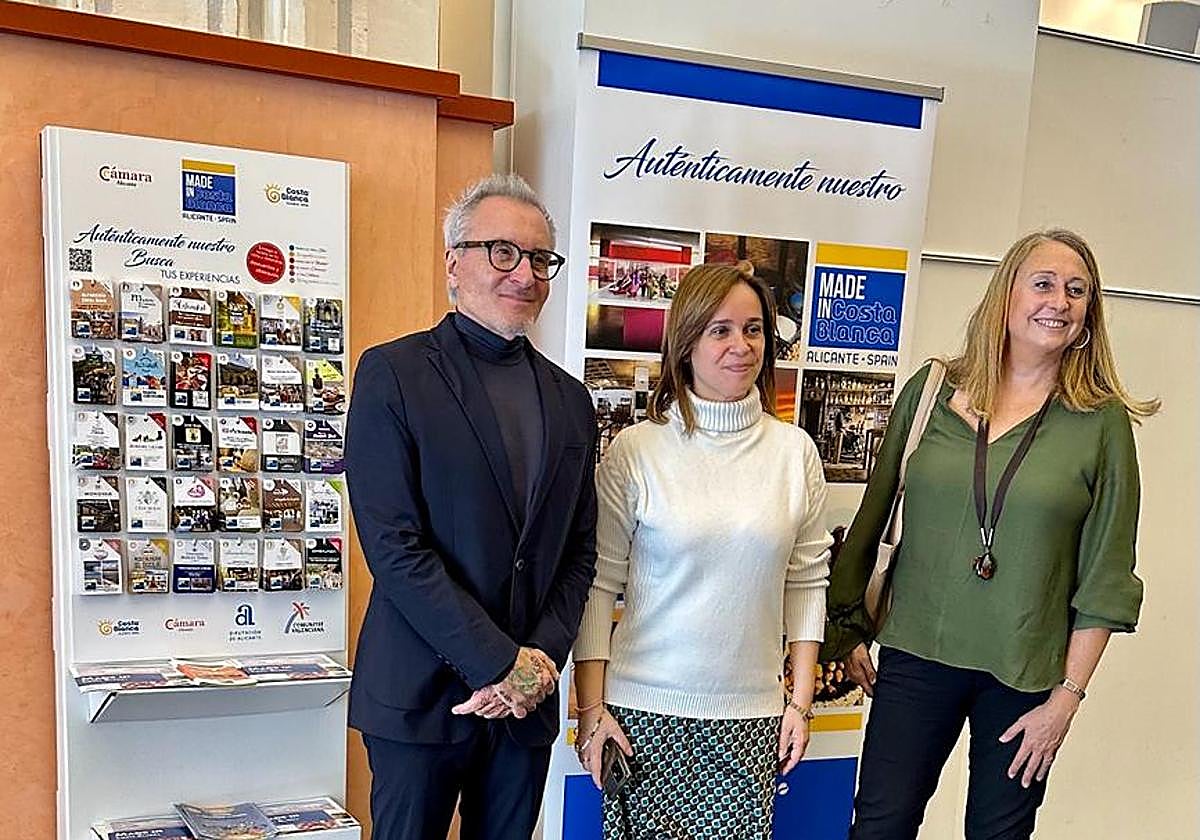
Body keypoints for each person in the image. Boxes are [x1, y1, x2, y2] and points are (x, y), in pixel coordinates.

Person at [823, 229, 1159, 839]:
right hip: (916, 655)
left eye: (1077, 291)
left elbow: (1108, 575)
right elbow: (874, 516)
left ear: (1088, 315)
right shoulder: (930, 391)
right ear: (1006, 294)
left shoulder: (1101, 422)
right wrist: (848, 625)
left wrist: (1066, 701)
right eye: (1044, 283)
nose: (1059, 300)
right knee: (878, 828)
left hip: (1026, 676)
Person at [344, 174, 598, 840]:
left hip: (526, 710)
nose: (525, 273)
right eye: (503, 252)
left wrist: (537, 663)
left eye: (541, 258)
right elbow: (395, 548)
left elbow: (579, 551)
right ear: (454, 262)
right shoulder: (392, 374)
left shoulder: (571, 402)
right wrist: (498, 663)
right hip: (421, 698)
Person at [572, 262, 833, 839]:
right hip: (642, 718)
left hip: (750, 722)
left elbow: (807, 581)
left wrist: (801, 701)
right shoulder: (637, 452)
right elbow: (597, 586)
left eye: (754, 329)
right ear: (685, 343)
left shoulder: (796, 454)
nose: (741, 346)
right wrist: (592, 712)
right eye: (719, 330)